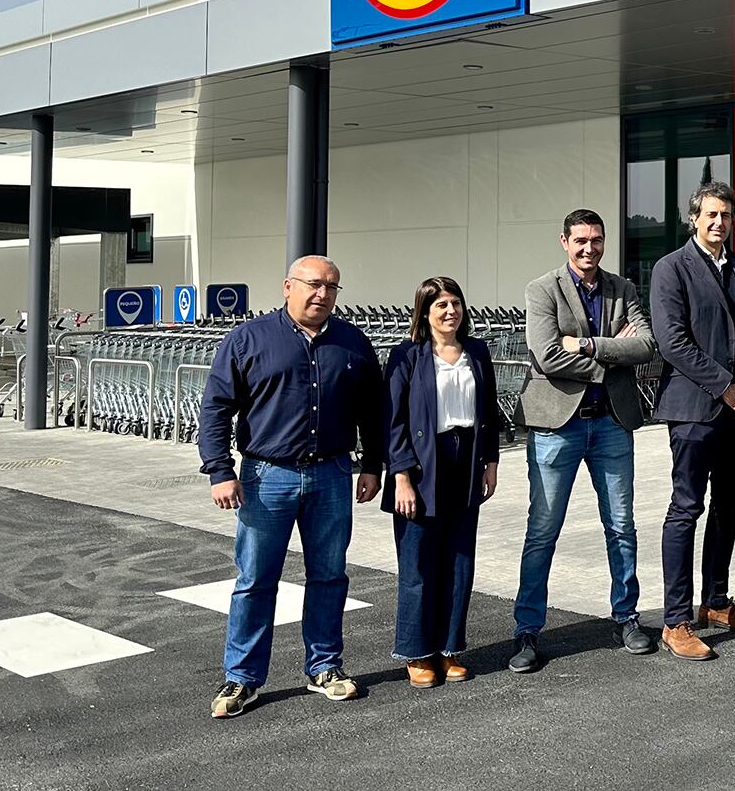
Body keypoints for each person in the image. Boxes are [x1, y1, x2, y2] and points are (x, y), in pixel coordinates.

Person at [198, 255, 385, 719]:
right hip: (266, 478)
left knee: (329, 576)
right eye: (313, 284)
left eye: (332, 287)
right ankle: (242, 678)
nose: (322, 294)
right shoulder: (248, 339)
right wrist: (220, 469)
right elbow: (217, 407)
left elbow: (373, 412)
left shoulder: (352, 342)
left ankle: (324, 667)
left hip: (332, 476)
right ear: (287, 287)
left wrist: (372, 465)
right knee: (255, 581)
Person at [511, 208, 661, 672]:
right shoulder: (542, 289)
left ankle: (627, 616)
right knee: (543, 531)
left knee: (621, 526)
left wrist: (589, 344)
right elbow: (548, 355)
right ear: (564, 241)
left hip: (613, 423)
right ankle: (528, 630)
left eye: (596, 240)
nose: (589, 248)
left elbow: (647, 345)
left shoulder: (624, 288)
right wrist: (611, 350)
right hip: (558, 426)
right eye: (580, 240)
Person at [648, 180, 735, 661]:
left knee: (729, 507)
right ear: (693, 219)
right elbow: (673, 341)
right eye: (710, 215)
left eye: (726, 215)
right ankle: (676, 620)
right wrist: (726, 386)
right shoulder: (669, 269)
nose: (719, 223)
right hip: (695, 410)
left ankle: (716, 602)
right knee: (686, 509)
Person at [382, 277, 501, 688]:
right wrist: (400, 477)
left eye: (455, 303)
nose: (450, 312)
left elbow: (489, 411)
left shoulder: (477, 351)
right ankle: (417, 652)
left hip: (465, 459)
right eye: (440, 305)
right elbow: (393, 422)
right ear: (424, 312)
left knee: (459, 560)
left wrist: (491, 460)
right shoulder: (408, 356)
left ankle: (449, 648)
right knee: (418, 563)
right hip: (421, 465)